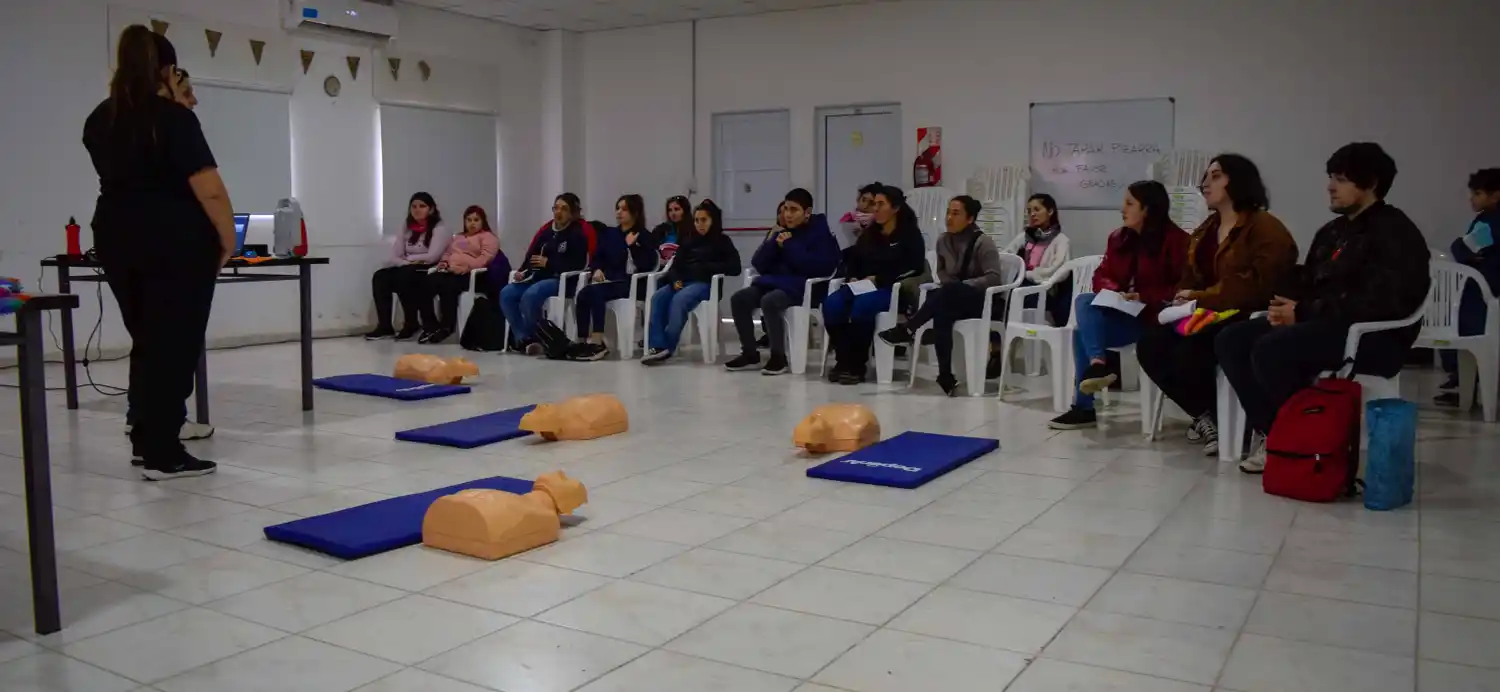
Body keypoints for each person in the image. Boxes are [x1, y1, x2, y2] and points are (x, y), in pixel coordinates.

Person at [1218, 143, 1431, 472]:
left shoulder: (1395, 233)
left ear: (1371, 184)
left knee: (1272, 348)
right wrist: (1278, 298)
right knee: (1232, 339)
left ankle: (1304, 437)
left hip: (1374, 337)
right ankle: (1277, 432)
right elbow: (1309, 281)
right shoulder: (1333, 232)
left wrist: (1303, 312)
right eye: (1331, 177)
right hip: (1323, 324)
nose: (1330, 186)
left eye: (1342, 179)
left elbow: (1383, 302)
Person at [83, 27, 232, 479]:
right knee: (176, 344)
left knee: (147, 339)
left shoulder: (100, 118)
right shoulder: (173, 118)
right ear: (166, 70)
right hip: (175, 239)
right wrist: (228, 239)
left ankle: (144, 439)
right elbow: (209, 191)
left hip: (115, 234)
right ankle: (164, 453)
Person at [1135, 154, 1298, 454]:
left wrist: (1201, 297)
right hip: (1205, 313)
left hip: (1245, 313)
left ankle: (1239, 422)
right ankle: (1206, 416)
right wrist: (1183, 297)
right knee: (1150, 344)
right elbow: (1190, 277)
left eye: (1216, 175)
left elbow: (1257, 285)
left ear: (1239, 181)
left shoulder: (1264, 227)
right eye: (1206, 176)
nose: (1205, 183)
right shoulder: (1206, 230)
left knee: (1191, 349)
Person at [1048, 182, 1190, 429]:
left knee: (1082, 331)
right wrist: (1117, 292)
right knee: (1084, 303)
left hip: (1155, 318)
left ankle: (1085, 404)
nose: (1121, 209)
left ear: (1147, 209)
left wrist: (1143, 295)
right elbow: (1101, 276)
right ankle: (1098, 364)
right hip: (1124, 313)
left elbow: (1183, 288)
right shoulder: (1118, 238)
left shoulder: (1177, 241)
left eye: (1129, 203)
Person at [877, 195, 1006, 396]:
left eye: (956, 213)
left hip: (981, 299)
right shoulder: (943, 240)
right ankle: (945, 375)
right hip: (952, 296)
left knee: (946, 293)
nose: (949, 218)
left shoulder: (983, 242)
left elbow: (994, 277)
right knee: (942, 311)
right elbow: (942, 272)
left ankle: (909, 328)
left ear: (970, 218)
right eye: (948, 212)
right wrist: (952, 286)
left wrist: (963, 285)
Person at [726, 189, 842, 375]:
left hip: (804, 288)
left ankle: (778, 357)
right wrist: (773, 242)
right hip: (775, 283)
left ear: (807, 212)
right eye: (785, 209)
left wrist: (789, 245)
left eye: (794, 209)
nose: (787, 214)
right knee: (739, 299)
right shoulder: (783, 232)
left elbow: (820, 268)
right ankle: (750, 353)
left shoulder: (821, 235)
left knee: (770, 301)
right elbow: (759, 265)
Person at [824, 185, 926, 384]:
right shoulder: (870, 234)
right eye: (873, 204)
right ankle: (843, 359)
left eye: (881, 204)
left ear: (895, 208)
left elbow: (913, 267)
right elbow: (854, 259)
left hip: (892, 289)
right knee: (832, 304)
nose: (875, 209)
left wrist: (879, 279)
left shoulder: (910, 236)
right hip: (862, 285)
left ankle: (857, 364)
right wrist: (852, 276)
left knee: (863, 306)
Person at [642, 199, 742, 365]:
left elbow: (734, 267)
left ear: (713, 221)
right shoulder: (688, 240)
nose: (699, 224)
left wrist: (707, 267)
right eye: (696, 220)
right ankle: (657, 346)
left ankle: (667, 346)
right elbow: (674, 266)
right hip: (683, 282)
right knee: (658, 297)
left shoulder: (722, 241)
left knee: (678, 300)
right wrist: (675, 280)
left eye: (704, 220)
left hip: (705, 285)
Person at [567, 194, 660, 361]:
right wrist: (597, 269)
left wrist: (632, 247)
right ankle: (582, 339)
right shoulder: (609, 234)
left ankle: (597, 340)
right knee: (583, 294)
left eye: (624, 209)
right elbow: (597, 257)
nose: (619, 212)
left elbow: (647, 264)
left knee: (595, 293)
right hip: (609, 280)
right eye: (618, 208)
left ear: (635, 212)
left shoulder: (644, 235)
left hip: (630, 284)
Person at [1435, 168, 1500, 406]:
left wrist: (1461, 249)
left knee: (1457, 329)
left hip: (1481, 292)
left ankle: (1461, 384)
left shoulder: (1488, 223)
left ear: (1495, 196)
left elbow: (1461, 249)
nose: (1472, 198)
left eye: (1478, 193)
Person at [501, 193, 594, 354]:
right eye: (556, 208)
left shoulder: (576, 235)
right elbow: (531, 256)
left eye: (564, 209)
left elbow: (577, 265)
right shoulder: (546, 232)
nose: (558, 212)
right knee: (506, 294)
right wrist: (523, 272)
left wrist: (549, 263)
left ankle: (542, 337)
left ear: (573, 212)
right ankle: (524, 339)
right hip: (536, 277)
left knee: (530, 296)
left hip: (560, 280)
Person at [367, 192, 451, 340]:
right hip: (408, 267)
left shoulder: (439, 228)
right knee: (380, 276)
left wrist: (410, 259)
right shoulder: (407, 227)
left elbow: (432, 256)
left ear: (431, 209)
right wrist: (406, 262)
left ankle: (411, 323)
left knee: (405, 276)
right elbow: (395, 255)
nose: (417, 210)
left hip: (429, 268)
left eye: (422, 206)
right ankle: (385, 326)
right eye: (414, 206)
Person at [418, 205, 499, 344]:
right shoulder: (458, 237)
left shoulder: (488, 237)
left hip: (473, 275)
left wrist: (468, 267)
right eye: (469, 220)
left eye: (476, 220)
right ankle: (430, 325)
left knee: (448, 286)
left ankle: (447, 327)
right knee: (425, 283)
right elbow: (448, 253)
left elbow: (485, 259)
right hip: (451, 271)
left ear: (482, 221)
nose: (472, 223)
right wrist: (443, 262)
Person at [1004, 193, 1073, 326]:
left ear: (1050, 211)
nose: (1032, 214)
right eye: (1029, 211)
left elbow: (1061, 271)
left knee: (1017, 291)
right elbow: (1007, 256)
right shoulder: (1025, 236)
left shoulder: (1061, 240)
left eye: (1037, 209)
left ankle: (1004, 339)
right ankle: (1002, 337)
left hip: (1046, 290)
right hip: (1022, 284)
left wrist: (1030, 275)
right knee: (1003, 290)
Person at [835, 182, 882, 249]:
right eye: (864, 200)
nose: (865, 206)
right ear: (858, 199)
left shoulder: (883, 225)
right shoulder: (847, 220)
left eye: (872, 203)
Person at [649, 195, 692, 264]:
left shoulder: (692, 231)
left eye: (676, 209)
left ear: (685, 210)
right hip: (661, 268)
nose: (673, 213)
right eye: (670, 210)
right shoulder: (660, 230)